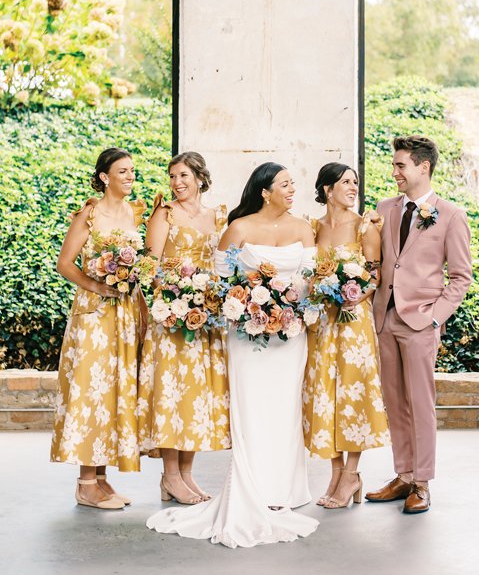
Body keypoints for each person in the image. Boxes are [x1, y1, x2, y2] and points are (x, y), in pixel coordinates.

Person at [146, 162, 319, 548]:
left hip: (290, 335)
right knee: (252, 407)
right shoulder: (238, 229)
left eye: (294, 183)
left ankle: (284, 491)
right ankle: (252, 486)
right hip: (247, 336)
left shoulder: (303, 228)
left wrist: (287, 308)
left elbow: (310, 281)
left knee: (284, 408)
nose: (292, 190)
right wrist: (252, 307)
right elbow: (221, 283)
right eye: (285, 184)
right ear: (264, 191)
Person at [366, 136, 472, 514]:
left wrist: (433, 320)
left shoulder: (451, 215)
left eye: (400, 166)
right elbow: (379, 263)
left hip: (420, 323)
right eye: (394, 165)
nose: (394, 171)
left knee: (420, 403)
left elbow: (461, 277)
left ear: (423, 167)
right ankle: (403, 474)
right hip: (385, 318)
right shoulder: (385, 208)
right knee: (395, 402)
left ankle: (422, 483)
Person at [50, 148, 146, 509]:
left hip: (125, 314)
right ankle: (85, 483)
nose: (129, 176)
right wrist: (98, 285)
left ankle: (102, 480)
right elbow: (65, 263)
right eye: (122, 171)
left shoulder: (132, 213)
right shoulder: (89, 216)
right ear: (105, 177)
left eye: (132, 171)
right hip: (94, 316)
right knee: (92, 391)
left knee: (113, 394)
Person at [137, 152, 230, 505]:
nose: (177, 183)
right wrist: (178, 295)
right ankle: (170, 476)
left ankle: (186, 477)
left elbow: (220, 263)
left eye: (184, 176)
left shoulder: (215, 216)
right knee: (171, 396)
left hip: (205, 320)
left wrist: (209, 297)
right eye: (173, 176)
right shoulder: (164, 214)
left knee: (195, 398)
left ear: (200, 178)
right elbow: (151, 266)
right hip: (172, 318)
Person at [303, 163, 389, 509]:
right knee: (326, 393)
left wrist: (352, 295)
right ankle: (336, 474)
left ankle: (352, 473)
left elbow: (374, 275)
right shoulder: (313, 228)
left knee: (352, 394)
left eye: (355, 182)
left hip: (354, 322)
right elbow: (308, 273)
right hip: (323, 323)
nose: (353, 187)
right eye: (345, 182)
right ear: (327, 189)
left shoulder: (364, 227)